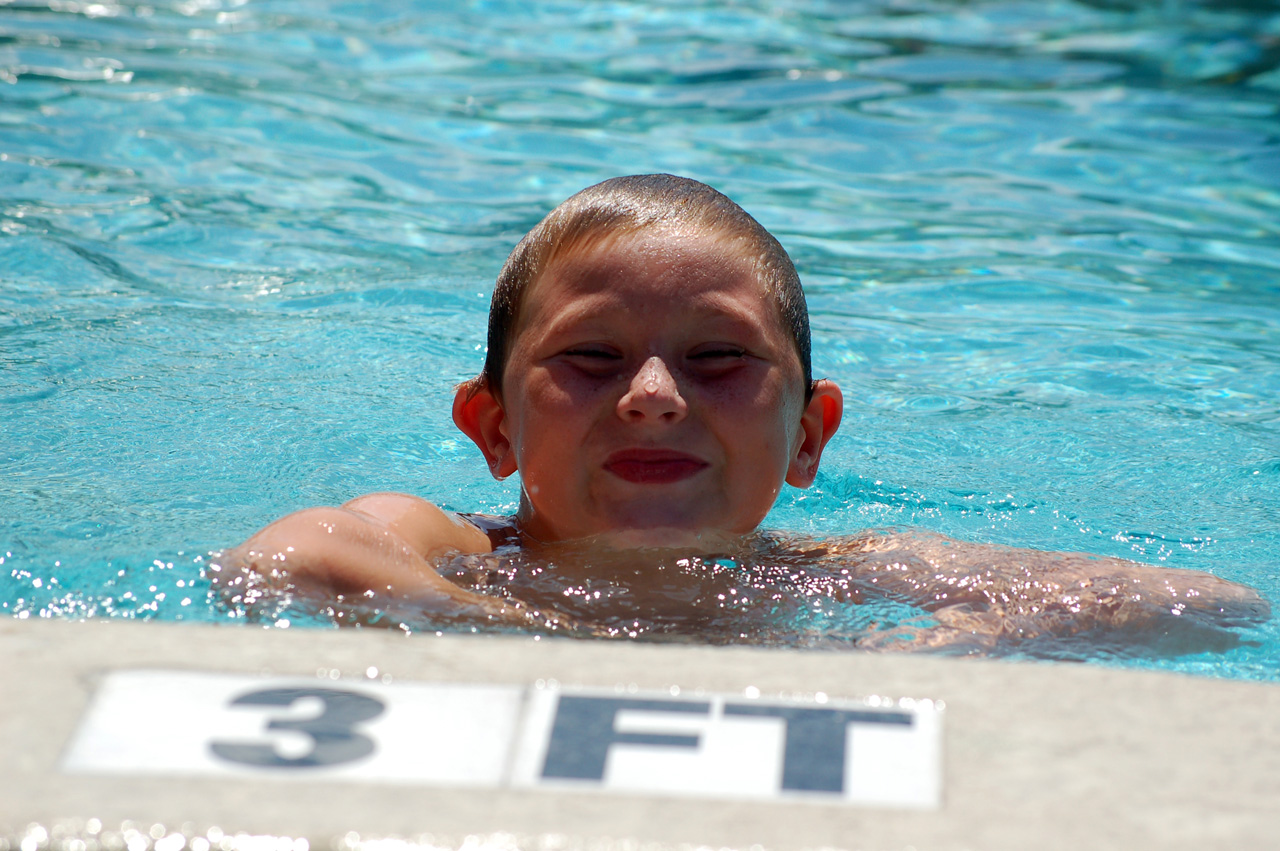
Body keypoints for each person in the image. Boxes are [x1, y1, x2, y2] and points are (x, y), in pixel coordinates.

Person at [215, 174, 1266, 651]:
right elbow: (280, 559)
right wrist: (533, 631)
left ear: (807, 435)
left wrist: (964, 639)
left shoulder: (833, 572)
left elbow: (1212, 603)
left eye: (717, 358)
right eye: (591, 357)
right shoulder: (456, 546)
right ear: (494, 430)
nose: (654, 396)